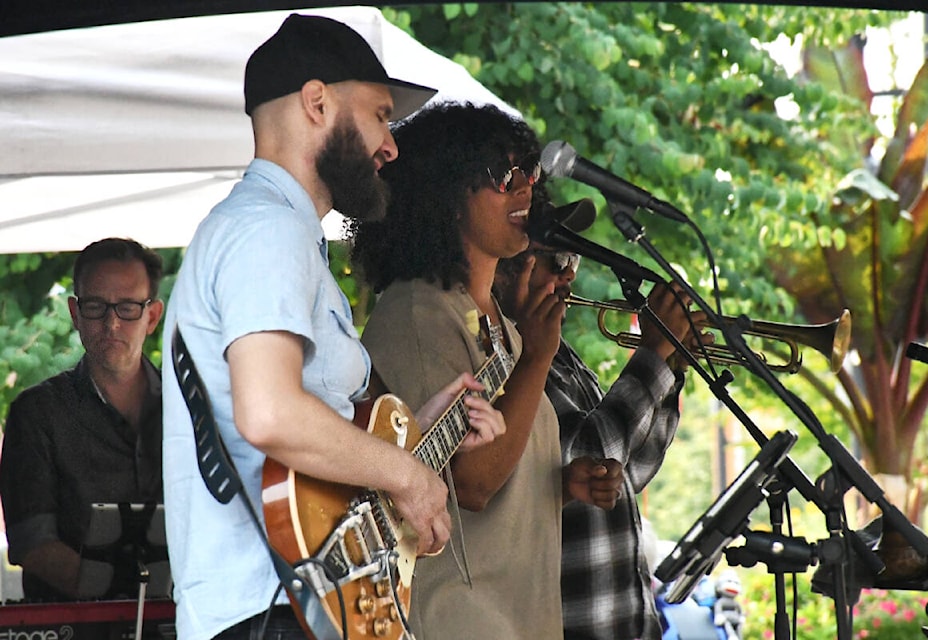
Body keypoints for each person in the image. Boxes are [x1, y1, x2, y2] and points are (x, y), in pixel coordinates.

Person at [160, 15, 506, 640]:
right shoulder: (266, 229)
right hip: (268, 612)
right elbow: (269, 415)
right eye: (379, 115)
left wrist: (419, 434)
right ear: (317, 103)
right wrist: (408, 476)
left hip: (291, 605)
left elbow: (306, 436)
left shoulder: (280, 233)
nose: (391, 145)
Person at [350, 102, 624, 640]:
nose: (525, 188)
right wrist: (539, 357)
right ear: (449, 197)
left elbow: (497, 468)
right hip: (458, 618)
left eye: (530, 173)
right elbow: (472, 484)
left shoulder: (504, 324)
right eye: (504, 176)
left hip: (519, 615)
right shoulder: (418, 313)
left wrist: (561, 484)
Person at [493, 212, 712, 640]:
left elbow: (630, 470)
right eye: (556, 260)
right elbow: (585, 453)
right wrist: (652, 352)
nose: (570, 274)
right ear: (514, 265)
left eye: (573, 260)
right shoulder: (510, 357)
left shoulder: (562, 355)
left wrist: (669, 367)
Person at [0, 237, 165, 602]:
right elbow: (32, 542)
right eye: (95, 306)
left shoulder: (188, 411)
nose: (112, 324)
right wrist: (124, 596)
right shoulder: (38, 412)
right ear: (75, 313)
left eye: (128, 308)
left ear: (152, 316)